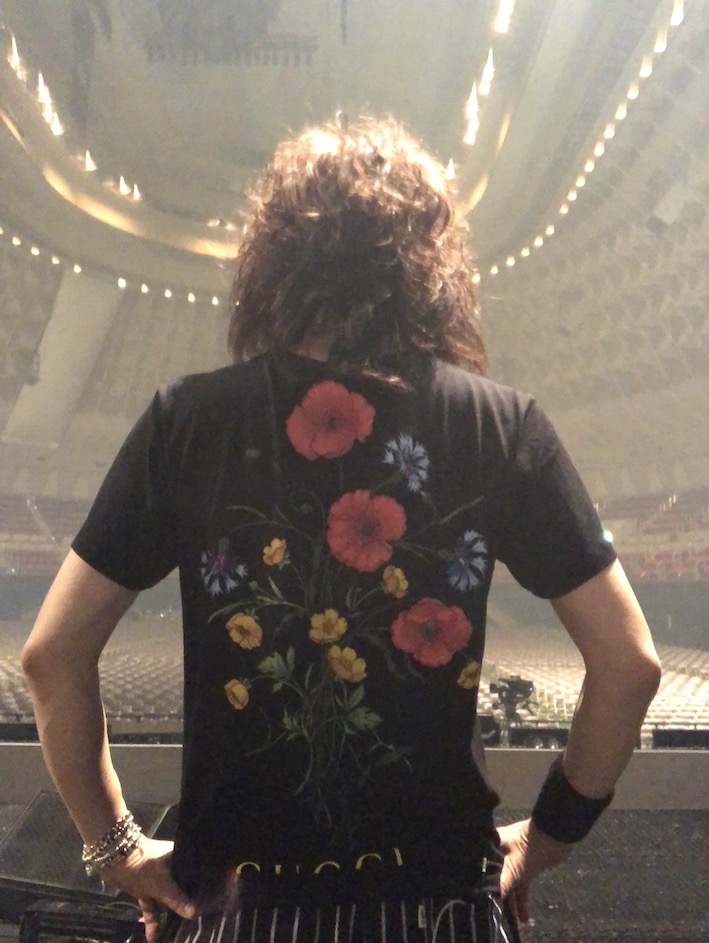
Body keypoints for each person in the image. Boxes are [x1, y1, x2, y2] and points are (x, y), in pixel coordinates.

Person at [22, 116, 661, 943]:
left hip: (236, 912)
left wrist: (116, 847)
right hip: (439, 908)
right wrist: (548, 836)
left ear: (271, 262)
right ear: (430, 267)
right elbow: (629, 664)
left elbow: (52, 655)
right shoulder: (499, 427)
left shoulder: (188, 421)